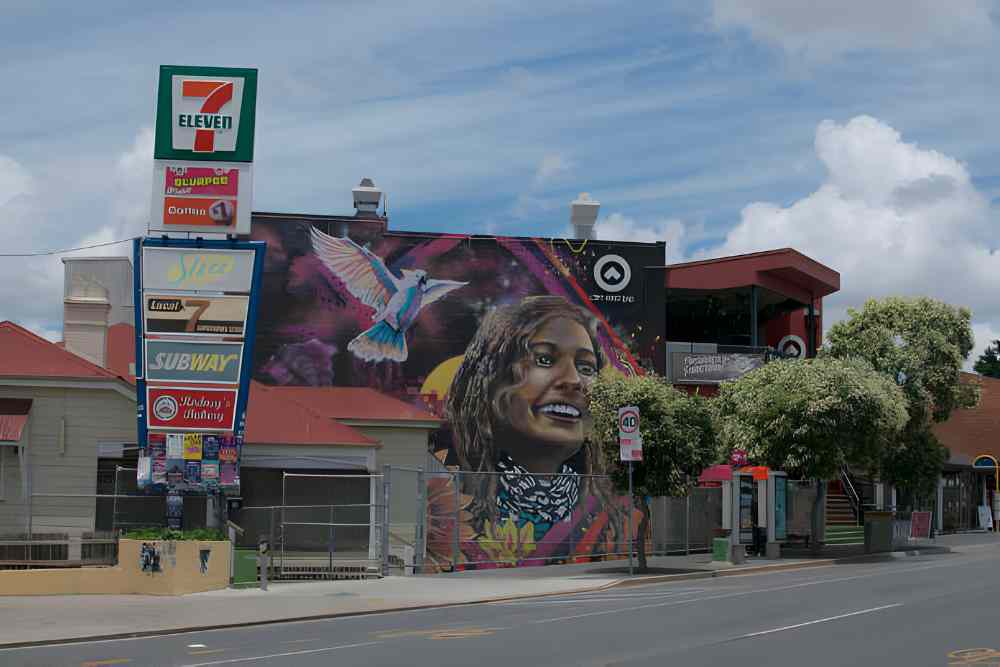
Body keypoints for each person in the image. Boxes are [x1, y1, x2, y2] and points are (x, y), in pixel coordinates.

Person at [445, 295, 623, 557]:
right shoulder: (452, 502)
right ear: (491, 381)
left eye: (586, 367)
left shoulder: (612, 515)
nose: (573, 380)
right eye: (544, 360)